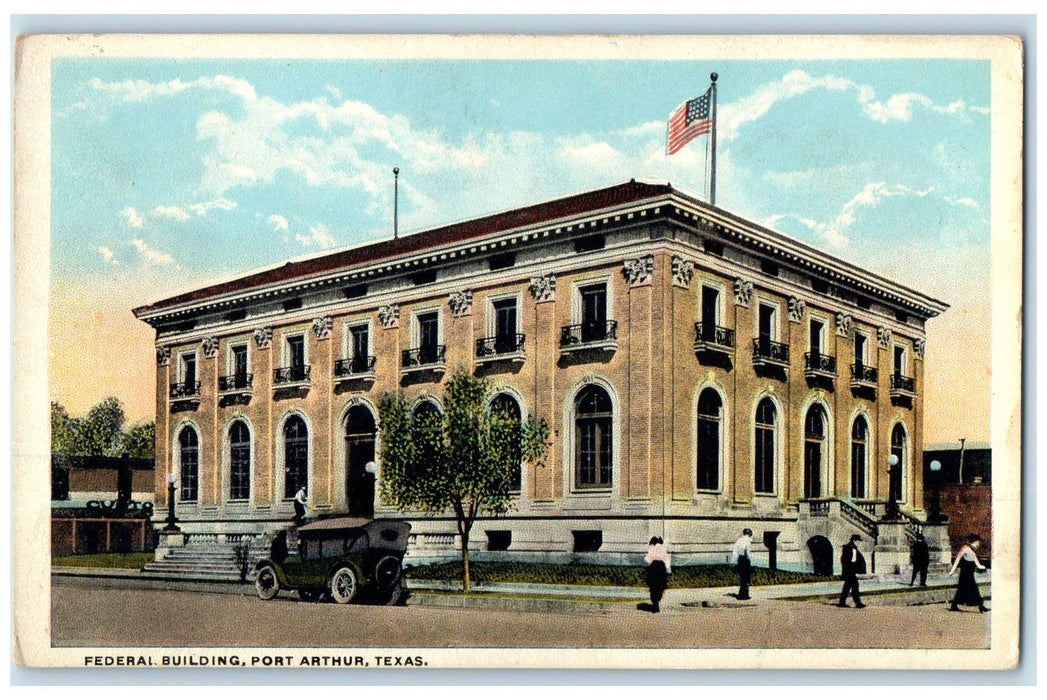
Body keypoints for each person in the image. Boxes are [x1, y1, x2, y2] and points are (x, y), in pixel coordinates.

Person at [948, 534, 988, 613]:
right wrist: (952, 571)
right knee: (968, 589)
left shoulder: (972, 551)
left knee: (968, 589)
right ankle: (980, 606)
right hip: (965, 574)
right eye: (977, 543)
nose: (978, 545)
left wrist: (982, 567)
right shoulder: (965, 548)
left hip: (970, 573)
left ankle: (980, 606)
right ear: (974, 542)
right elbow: (957, 559)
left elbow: (977, 563)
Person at [837, 534, 866, 608]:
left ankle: (842, 602)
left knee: (848, 586)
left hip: (850, 570)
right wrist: (850, 569)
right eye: (858, 541)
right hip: (850, 570)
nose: (859, 543)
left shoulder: (852, 547)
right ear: (854, 540)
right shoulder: (850, 548)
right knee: (854, 586)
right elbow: (846, 560)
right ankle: (857, 603)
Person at [644, 536, 671, 613]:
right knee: (661, 585)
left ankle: (655, 603)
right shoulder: (663, 549)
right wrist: (668, 571)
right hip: (662, 568)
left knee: (653, 586)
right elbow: (667, 561)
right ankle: (657, 601)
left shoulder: (652, 548)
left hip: (654, 567)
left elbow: (647, 559)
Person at [731, 528, 754, 600]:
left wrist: (735, 561)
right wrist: (750, 559)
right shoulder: (748, 541)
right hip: (745, 560)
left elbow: (735, 551)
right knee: (746, 578)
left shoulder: (739, 540)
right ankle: (745, 595)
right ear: (749, 534)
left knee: (742, 578)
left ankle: (741, 594)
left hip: (740, 559)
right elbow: (747, 551)